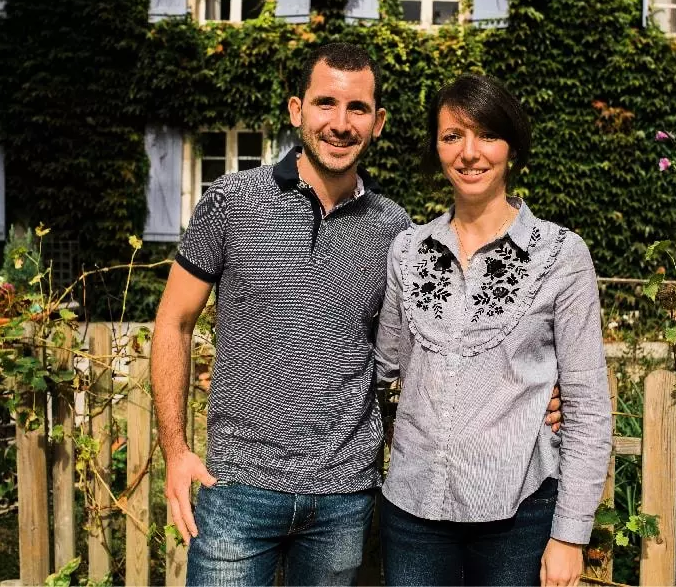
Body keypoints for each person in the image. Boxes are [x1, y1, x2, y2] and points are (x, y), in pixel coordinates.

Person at [152, 43, 563, 586]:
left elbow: (430, 348)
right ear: (296, 109)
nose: (341, 124)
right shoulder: (232, 201)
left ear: (378, 122)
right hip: (237, 487)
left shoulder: (397, 232)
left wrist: (533, 395)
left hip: (344, 496)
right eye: (326, 103)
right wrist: (176, 451)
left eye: (358, 109)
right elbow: (173, 323)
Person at [374, 74, 612, 587]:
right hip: (412, 511)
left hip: (518, 515)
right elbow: (382, 368)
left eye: (487, 135)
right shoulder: (407, 252)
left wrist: (570, 535)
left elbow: (588, 405)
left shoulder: (561, 256)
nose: (469, 153)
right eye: (452, 136)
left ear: (512, 148)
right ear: (436, 148)